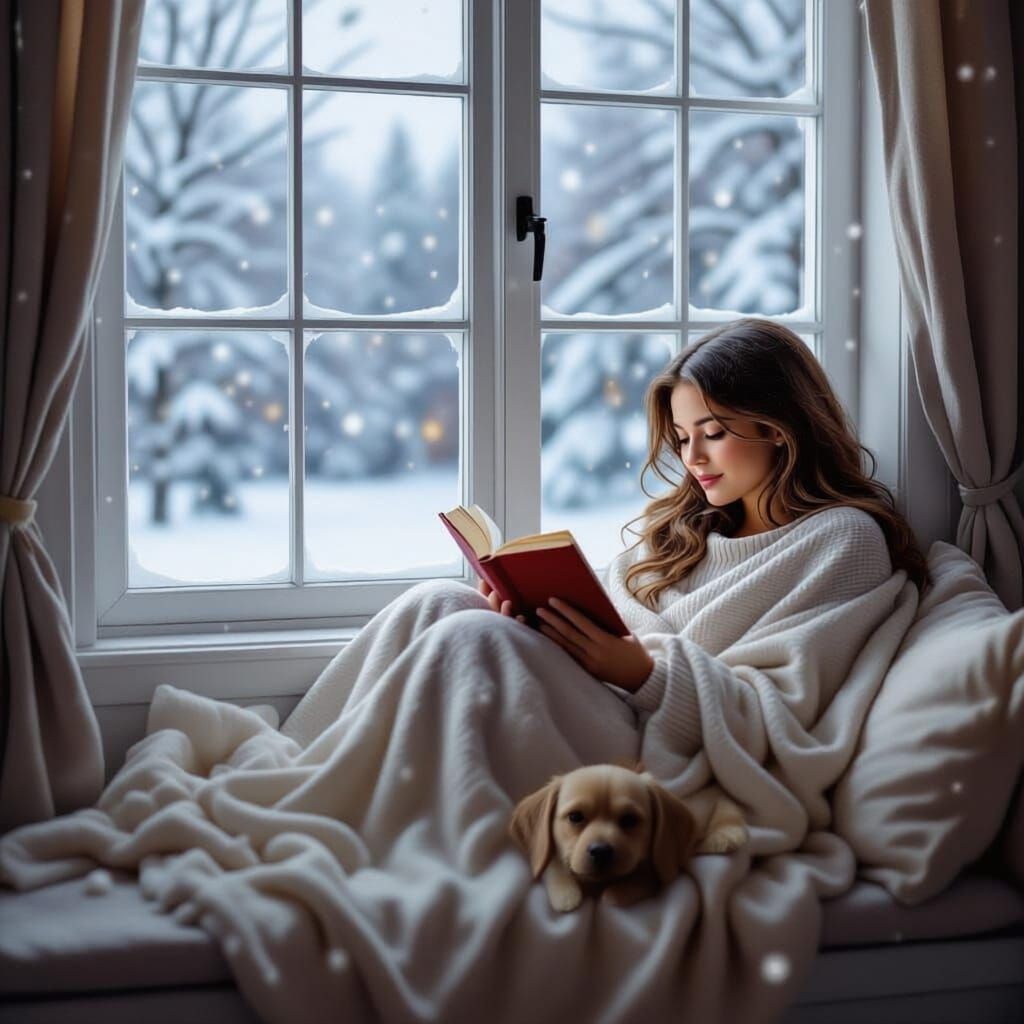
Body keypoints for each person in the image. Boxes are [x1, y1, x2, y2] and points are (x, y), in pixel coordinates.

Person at [477, 316, 930, 712]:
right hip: (592, 691)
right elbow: (618, 615)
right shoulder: (685, 529)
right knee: (446, 604)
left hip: (648, 727)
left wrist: (646, 675)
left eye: (712, 433)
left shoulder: (843, 540)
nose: (690, 457)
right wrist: (537, 624)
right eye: (680, 437)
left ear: (777, 429)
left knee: (463, 637)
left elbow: (788, 700)